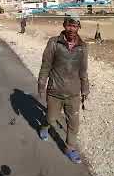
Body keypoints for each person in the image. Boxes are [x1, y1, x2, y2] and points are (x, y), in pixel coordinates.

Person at [37, 12, 89, 164]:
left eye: (75, 25)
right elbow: (46, 66)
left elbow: (83, 70)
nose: (72, 28)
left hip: (73, 93)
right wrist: (41, 85)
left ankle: (70, 148)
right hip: (55, 91)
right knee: (51, 118)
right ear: (64, 26)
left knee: (74, 124)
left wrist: (85, 89)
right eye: (69, 25)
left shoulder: (83, 47)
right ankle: (45, 126)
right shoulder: (54, 43)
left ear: (78, 27)